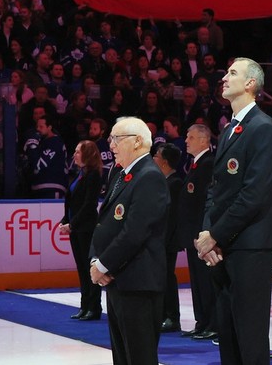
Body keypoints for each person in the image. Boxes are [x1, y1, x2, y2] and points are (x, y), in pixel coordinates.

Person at [194, 57, 272, 365]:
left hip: (250, 246)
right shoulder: (233, 128)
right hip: (225, 246)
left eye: (232, 73)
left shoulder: (262, 127)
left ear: (250, 84)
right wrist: (207, 233)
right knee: (228, 333)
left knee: (249, 333)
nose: (224, 77)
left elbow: (254, 195)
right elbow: (217, 191)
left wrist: (215, 234)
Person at [90, 117, 169, 364]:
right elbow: (104, 224)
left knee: (139, 357)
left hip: (138, 284)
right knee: (123, 356)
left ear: (137, 142)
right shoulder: (123, 174)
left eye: (116, 138)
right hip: (120, 282)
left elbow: (135, 232)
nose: (110, 145)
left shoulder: (149, 176)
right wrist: (96, 260)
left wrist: (103, 265)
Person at [178, 124, 218, 339]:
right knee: (197, 281)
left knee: (206, 281)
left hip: (202, 235)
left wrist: (203, 232)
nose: (186, 140)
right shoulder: (195, 164)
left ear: (204, 141)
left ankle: (212, 322)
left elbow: (207, 202)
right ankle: (202, 321)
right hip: (193, 234)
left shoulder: (208, 164)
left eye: (191, 137)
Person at [58, 140, 102, 320]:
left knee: (88, 267)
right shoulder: (80, 174)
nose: (74, 154)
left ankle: (94, 307)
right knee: (81, 268)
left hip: (86, 228)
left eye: (77, 151)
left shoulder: (93, 176)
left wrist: (72, 224)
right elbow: (73, 203)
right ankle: (85, 306)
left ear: (87, 154)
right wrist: (65, 220)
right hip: (77, 228)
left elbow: (89, 205)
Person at [153, 141, 185, 333]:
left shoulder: (175, 183)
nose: (153, 159)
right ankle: (164, 314)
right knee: (161, 277)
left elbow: (171, 217)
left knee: (167, 277)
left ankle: (172, 317)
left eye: (156, 156)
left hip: (167, 240)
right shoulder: (165, 182)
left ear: (164, 161)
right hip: (161, 239)